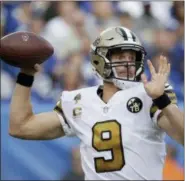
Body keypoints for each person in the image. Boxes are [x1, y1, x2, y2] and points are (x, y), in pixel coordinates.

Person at [9, 26, 184, 180]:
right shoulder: (79, 101)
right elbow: (20, 127)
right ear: (99, 60)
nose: (128, 63)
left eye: (132, 56)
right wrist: (26, 75)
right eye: (120, 56)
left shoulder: (149, 95)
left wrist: (163, 100)